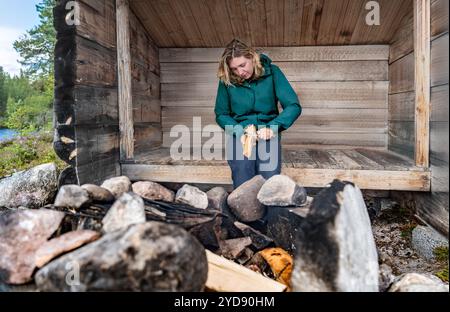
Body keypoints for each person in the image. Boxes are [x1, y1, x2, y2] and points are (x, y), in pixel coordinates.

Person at [214, 39, 302, 189]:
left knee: (270, 175)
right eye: (234, 69)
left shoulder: (273, 72)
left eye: (242, 65)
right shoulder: (226, 81)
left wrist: (273, 127)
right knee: (242, 170)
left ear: (252, 57)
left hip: (267, 129)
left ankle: (270, 212)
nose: (240, 72)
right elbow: (221, 114)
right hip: (240, 130)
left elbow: (293, 106)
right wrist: (238, 131)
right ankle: (243, 211)